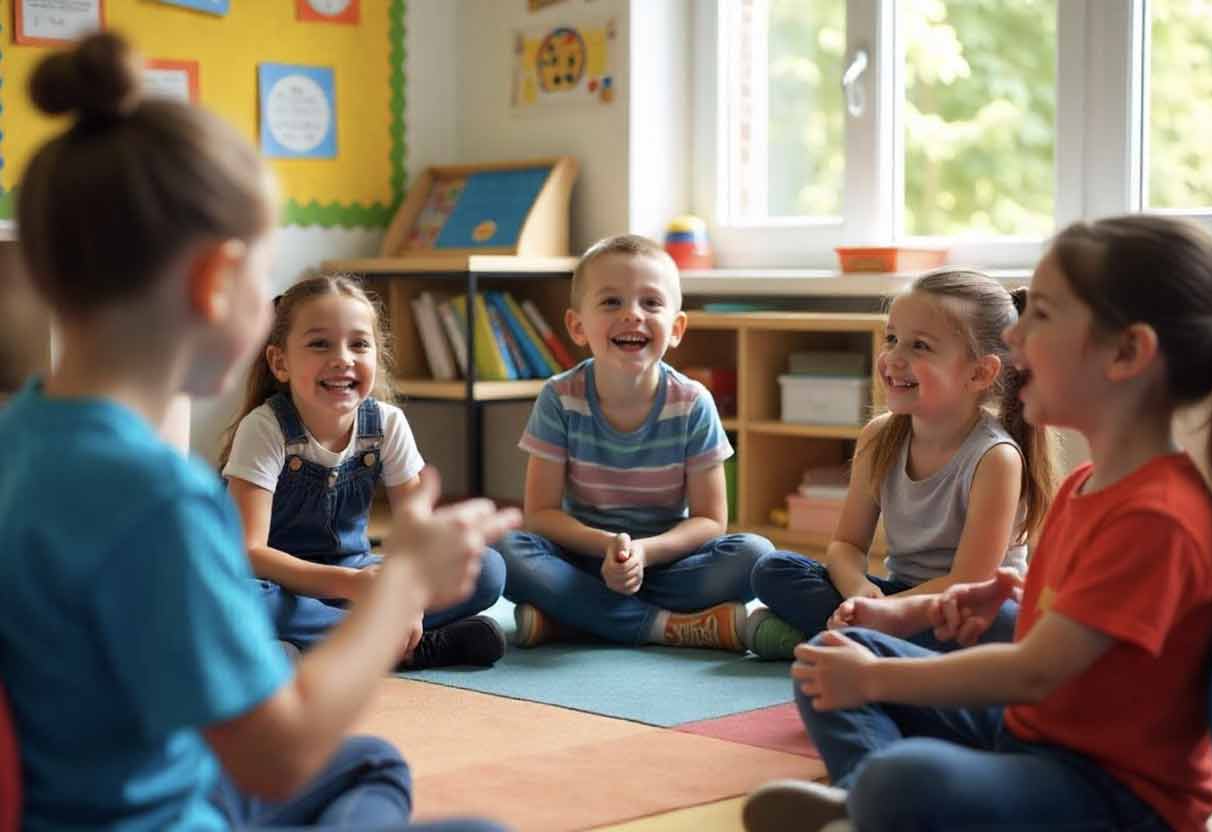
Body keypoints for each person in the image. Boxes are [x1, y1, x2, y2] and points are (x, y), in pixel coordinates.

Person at [0, 33, 519, 831]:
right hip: (161, 813)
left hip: (92, 785)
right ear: (214, 282)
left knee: (371, 762)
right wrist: (401, 589)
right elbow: (279, 756)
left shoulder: (22, 439)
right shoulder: (158, 502)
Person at [744, 215, 1212, 832]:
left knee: (905, 773)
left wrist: (879, 677)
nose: (1014, 337)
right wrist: (1010, 593)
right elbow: (1094, 630)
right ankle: (870, 804)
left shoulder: (1158, 515)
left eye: (1042, 315)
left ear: (1126, 353)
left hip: (1113, 791)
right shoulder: (1086, 485)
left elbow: (1034, 669)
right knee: (832, 657)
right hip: (1036, 734)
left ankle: (875, 802)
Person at [747, 269, 1055, 660]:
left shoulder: (995, 458)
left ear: (980, 372)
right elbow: (845, 545)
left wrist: (887, 613)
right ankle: (867, 644)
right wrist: (860, 591)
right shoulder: (879, 438)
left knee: (1005, 625)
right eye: (892, 339)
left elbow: (971, 580)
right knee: (772, 569)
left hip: (964, 610)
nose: (893, 358)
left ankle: (840, 642)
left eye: (920, 346)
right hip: (898, 595)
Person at [499, 234, 774, 650]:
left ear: (676, 327)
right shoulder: (559, 398)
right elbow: (541, 515)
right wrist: (610, 547)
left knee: (755, 554)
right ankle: (662, 626)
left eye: (651, 303)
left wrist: (642, 554)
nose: (632, 315)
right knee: (506, 550)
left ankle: (574, 619)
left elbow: (710, 521)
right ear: (577, 325)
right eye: (612, 302)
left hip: (665, 563)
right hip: (582, 560)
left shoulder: (693, 403)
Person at [219, 275, 508, 669]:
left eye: (358, 344)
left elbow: (415, 538)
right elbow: (249, 553)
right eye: (320, 344)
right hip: (283, 582)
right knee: (235, 598)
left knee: (488, 568)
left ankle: (324, 645)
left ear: (377, 354)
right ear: (279, 362)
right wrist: (352, 586)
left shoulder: (387, 424)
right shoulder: (265, 428)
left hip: (358, 576)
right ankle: (397, 647)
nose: (343, 358)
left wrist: (404, 595)